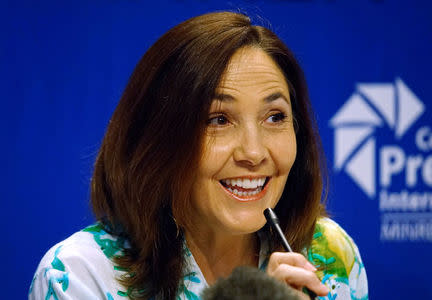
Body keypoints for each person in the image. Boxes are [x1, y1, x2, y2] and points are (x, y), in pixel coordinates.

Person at [29, 11, 368, 300]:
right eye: (218, 120)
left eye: (275, 117)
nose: (253, 152)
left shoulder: (329, 253)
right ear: (158, 139)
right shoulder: (79, 275)